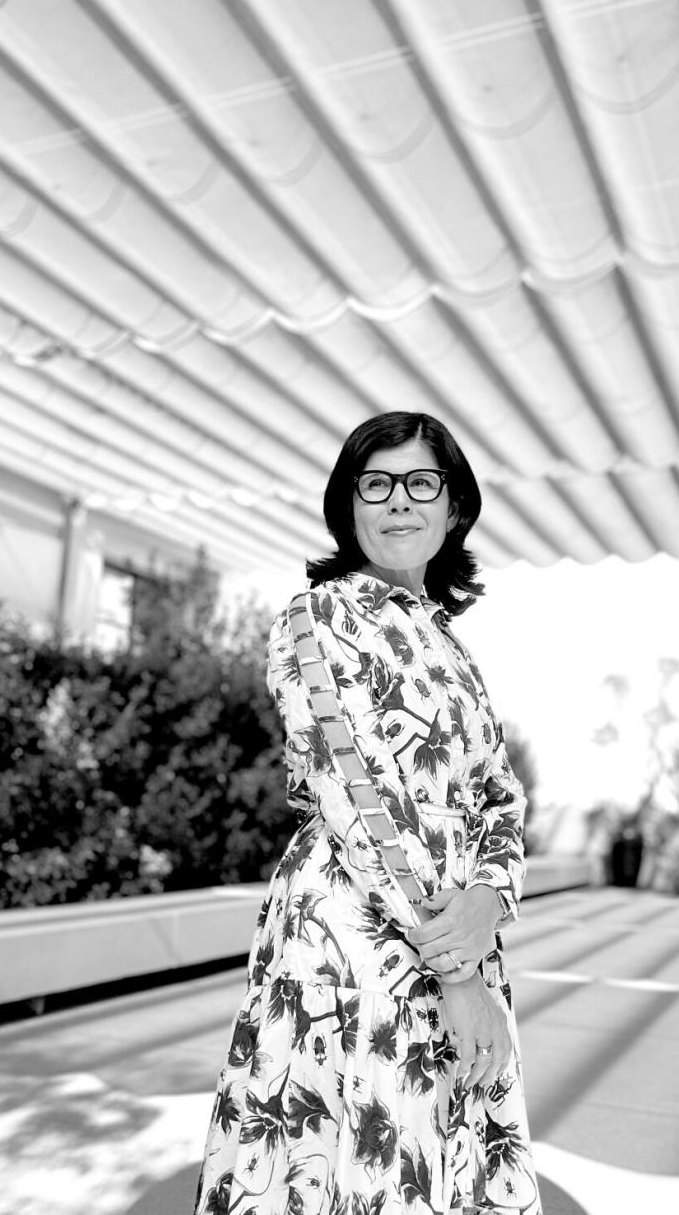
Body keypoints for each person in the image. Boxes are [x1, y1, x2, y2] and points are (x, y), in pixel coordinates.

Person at [193, 411, 540, 1215]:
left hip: (457, 935)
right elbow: (358, 793)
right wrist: (457, 970)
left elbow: (500, 796)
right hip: (353, 947)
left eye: (422, 482)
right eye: (374, 483)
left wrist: (489, 902)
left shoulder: (452, 644)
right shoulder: (316, 620)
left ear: (454, 508)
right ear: (347, 505)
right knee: (345, 1163)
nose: (397, 502)